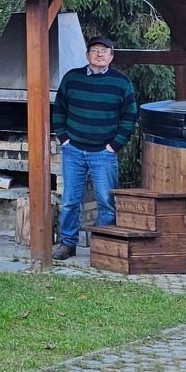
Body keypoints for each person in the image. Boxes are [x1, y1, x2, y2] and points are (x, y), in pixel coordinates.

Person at [50, 32, 138, 260]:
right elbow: (58, 109)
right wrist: (64, 139)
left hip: (104, 153)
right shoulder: (72, 78)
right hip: (74, 151)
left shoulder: (121, 82)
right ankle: (67, 243)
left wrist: (114, 146)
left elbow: (130, 117)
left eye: (104, 51)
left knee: (106, 201)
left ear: (111, 56)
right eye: (95, 51)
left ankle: (104, 247)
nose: (99, 55)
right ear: (87, 54)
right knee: (70, 200)